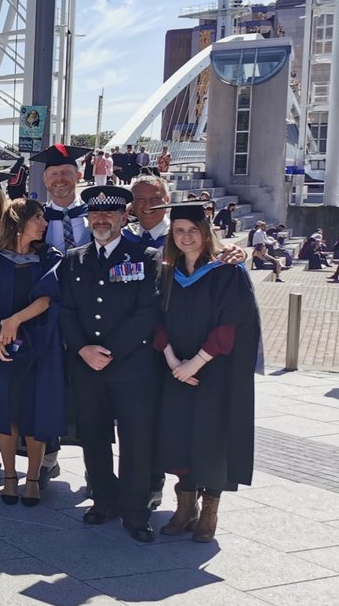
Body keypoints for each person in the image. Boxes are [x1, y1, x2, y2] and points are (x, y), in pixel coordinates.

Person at [153, 202, 261, 543]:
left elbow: (231, 326)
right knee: (180, 436)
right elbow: (155, 320)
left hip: (213, 373)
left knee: (211, 439)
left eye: (193, 230)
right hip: (177, 371)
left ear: (206, 232)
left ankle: (210, 511)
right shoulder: (166, 271)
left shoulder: (227, 271)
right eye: (179, 231)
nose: (186, 237)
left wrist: (194, 363)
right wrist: (172, 361)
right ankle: (185, 508)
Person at [59, 186, 161, 542]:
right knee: (94, 437)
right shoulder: (74, 258)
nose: (101, 220)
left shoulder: (145, 256)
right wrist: (84, 349)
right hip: (87, 367)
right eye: (95, 215)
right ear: (88, 218)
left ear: (123, 217)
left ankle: (135, 511)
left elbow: (147, 312)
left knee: (135, 440)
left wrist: (110, 351)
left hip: (131, 367)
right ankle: (103, 500)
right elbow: (66, 310)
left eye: (109, 215)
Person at [0, 198, 63, 507]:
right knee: (6, 412)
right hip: (3, 347)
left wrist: (14, 321)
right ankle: (9, 476)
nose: (45, 224)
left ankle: (32, 479)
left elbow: (48, 298)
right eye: (38, 218)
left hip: (39, 348)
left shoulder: (49, 257)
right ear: (20, 221)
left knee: (36, 412)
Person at [27, 143, 93, 486]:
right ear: (46, 181)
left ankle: (94, 466)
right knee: (49, 389)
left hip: (91, 321)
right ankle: (47, 459)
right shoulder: (35, 217)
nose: (60, 180)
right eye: (53, 175)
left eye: (66, 173)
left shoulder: (97, 213)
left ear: (78, 176)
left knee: (91, 394)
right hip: (47, 322)